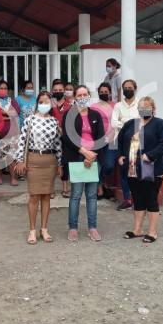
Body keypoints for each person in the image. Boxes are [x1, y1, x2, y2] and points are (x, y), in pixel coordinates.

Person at [117, 96, 163, 244]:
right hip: (132, 168)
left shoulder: (160, 124)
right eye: (141, 106)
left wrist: (149, 155)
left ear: (153, 109)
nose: (143, 109)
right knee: (137, 197)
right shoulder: (130, 124)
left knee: (151, 197)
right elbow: (120, 141)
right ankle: (137, 229)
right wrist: (120, 155)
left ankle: (152, 231)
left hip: (151, 168)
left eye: (147, 106)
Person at [15, 92, 62, 244]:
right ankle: (32, 231)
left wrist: (60, 163)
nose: (43, 104)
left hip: (49, 161)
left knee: (47, 196)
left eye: (46, 101)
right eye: (40, 102)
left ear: (51, 103)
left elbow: (58, 144)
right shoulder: (30, 120)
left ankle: (44, 229)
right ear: (37, 104)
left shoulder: (54, 122)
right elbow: (22, 141)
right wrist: (20, 160)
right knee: (34, 196)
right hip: (33, 160)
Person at [62, 85, 105, 242]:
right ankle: (73, 228)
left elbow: (101, 136)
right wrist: (83, 152)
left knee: (92, 195)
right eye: (79, 95)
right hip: (76, 157)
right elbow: (67, 137)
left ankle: (92, 228)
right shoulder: (69, 114)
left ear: (89, 96)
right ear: (74, 97)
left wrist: (91, 155)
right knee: (76, 195)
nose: (82, 97)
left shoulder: (96, 114)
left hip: (93, 158)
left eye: (85, 94)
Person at [111, 79, 140, 210]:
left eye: (130, 87)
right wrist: (129, 125)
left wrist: (124, 122)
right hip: (121, 142)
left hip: (136, 142)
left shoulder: (141, 103)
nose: (128, 89)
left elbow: (144, 121)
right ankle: (127, 199)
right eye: (125, 87)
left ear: (135, 89)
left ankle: (138, 199)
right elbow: (113, 123)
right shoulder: (118, 106)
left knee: (135, 170)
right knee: (123, 171)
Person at [0, 80, 21, 186]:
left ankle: (13, 178)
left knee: (10, 156)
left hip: (11, 133)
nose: (3, 90)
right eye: (1, 88)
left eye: (5, 88)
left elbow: (16, 113)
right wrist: (7, 114)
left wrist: (2, 113)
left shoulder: (11, 100)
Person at [92, 82, 116, 200]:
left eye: (106, 92)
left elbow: (118, 123)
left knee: (109, 165)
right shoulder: (94, 107)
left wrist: (113, 135)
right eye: (101, 92)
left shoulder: (115, 106)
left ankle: (101, 183)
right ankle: (100, 187)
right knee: (99, 165)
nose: (104, 94)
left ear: (110, 93)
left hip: (112, 140)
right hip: (99, 140)